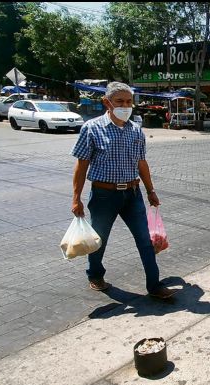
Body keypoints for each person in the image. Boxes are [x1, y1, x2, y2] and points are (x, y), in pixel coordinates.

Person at [70, 81, 175, 299]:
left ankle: (154, 286)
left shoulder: (136, 131)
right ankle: (95, 275)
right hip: (103, 195)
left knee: (145, 240)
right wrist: (76, 198)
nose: (125, 106)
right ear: (106, 102)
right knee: (99, 239)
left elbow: (141, 163)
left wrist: (150, 190)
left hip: (132, 194)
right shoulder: (92, 129)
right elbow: (82, 165)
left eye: (129, 101)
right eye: (120, 101)